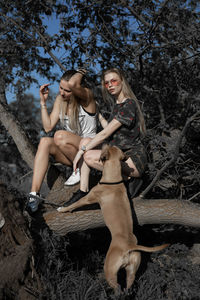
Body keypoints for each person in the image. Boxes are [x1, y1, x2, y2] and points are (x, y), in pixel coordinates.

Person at [61, 67, 147, 206]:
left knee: (88, 155)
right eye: (107, 83)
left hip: (133, 159)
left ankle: (129, 179)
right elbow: (111, 131)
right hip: (117, 154)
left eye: (114, 81)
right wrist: (98, 115)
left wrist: (81, 152)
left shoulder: (129, 104)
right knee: (86, 140)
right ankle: (83, 191)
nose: (110, 85)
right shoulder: (117, 105)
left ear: (122, 81)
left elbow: (106, 133)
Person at [27, 69, 97, 212]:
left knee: (59, 135)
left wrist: (80, 72)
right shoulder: (60, 100)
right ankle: (34, 196)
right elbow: (47, 127)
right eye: (60, 88)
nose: (62, 92)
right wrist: (43, 102)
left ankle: (80, 171)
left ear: (77, 89)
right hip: (71, 152)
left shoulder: (87, 98)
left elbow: (75, 85)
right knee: (45, 141)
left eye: (68, 90)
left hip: (89, 152)